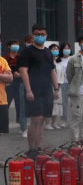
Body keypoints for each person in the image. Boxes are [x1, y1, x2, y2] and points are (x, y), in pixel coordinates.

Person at [18, 24, 59, 155]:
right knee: (35, 120)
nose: (40, 36)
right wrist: (28, 90)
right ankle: (31, 149)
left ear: (46, 36)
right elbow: (23, 71)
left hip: (46, 90)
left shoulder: (47, 51)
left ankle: (38, 148)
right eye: (37, 34)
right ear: (33, 35)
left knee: (42, 121)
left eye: (42, 34)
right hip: (33, 90)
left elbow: (52, 70)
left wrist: (56, 88)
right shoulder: (27, 51)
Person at [5, 39, 28, 137]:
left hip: (19, 83)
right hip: (9, 84)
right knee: (6, 104)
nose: (16, 46)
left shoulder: (20, 57)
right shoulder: (5, 58)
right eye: (14, 45)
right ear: (9, 47)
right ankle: (3, 125)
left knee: (20, 105)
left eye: (17, 45)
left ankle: (21, 125)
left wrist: (19, 74)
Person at [44, 44, 63, 130]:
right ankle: (47, 123)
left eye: (57, 49)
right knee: (49, 104)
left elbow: (62, 74)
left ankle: (54, 122)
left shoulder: (60, 62)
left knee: (57, 104)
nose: (55, 50)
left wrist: (59, 85)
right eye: (53, 48)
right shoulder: (47, 61)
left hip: (59, 85)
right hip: (49, 85)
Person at [0, 35, 14, 134]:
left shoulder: (2, 61)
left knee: (3, 133)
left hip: (2, 101)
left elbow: (10, 78)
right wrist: (3, 75)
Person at [57, 42, 72, 128]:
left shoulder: (73, 58)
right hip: (63, 83)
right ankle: (65, 120)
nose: (66, 50)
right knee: (64, 103)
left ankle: (75, 120)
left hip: (72, 83)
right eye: (65, 48)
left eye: (68, 48)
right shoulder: (58, 59)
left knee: (74, 103)